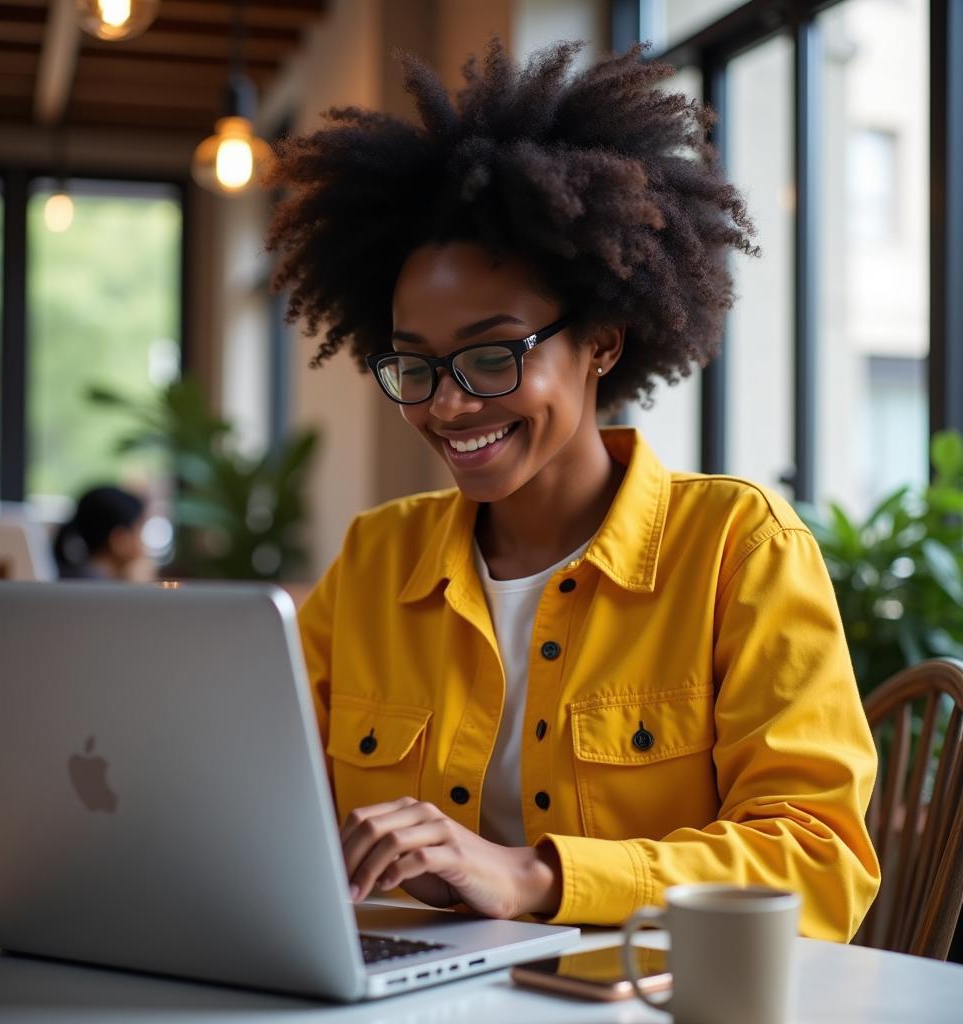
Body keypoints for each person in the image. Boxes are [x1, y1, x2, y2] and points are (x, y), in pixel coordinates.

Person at [266, 41, 880, 939]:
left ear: (600, 340)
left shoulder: (736, 548)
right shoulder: (377, 559)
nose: (448, 403)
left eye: (491, 354)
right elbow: (271, 810)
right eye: (416, 365)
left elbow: (818, 861)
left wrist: (537, 875)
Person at [53, 485, 152, 582]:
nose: (143, 541)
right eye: (140, 530)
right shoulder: (100, 588)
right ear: (119, 540)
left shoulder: (70, 579)